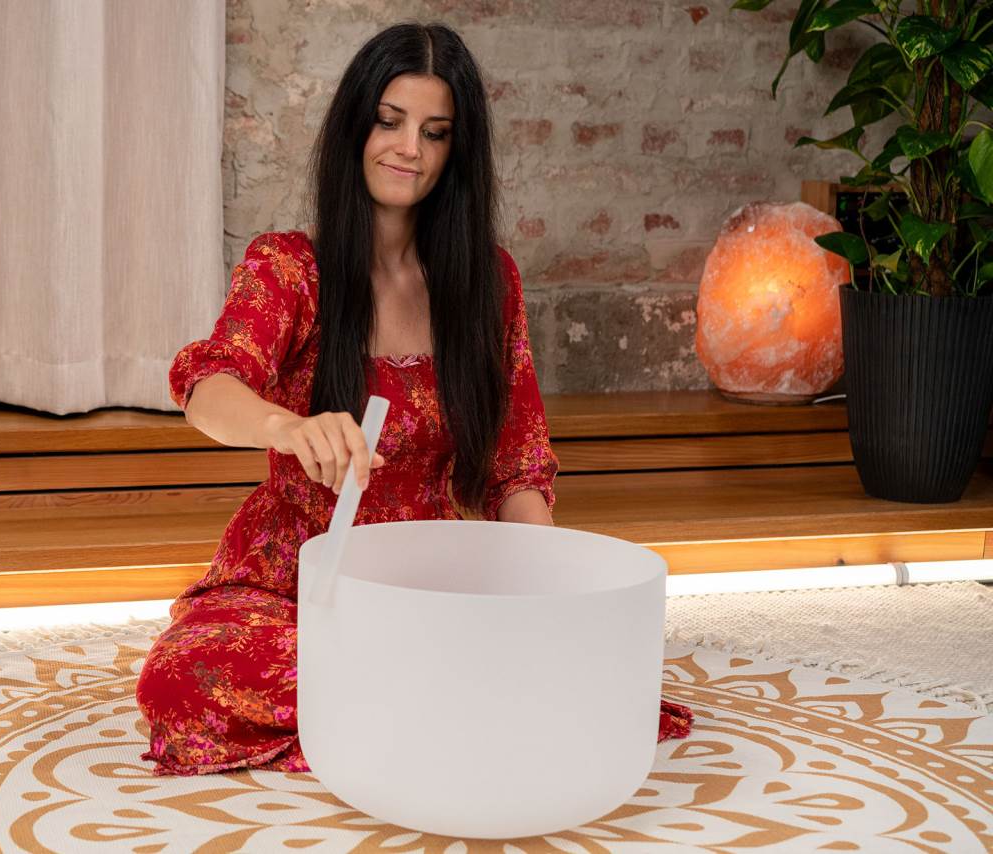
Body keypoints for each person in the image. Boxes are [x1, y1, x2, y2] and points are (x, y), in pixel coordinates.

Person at [136, 21, 693, 777]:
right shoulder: (289, 267)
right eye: (389, 122)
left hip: (430, 581)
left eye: (435, 133)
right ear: (355, 128)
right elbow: (208, 385)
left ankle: (418, 694)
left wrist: (547, 593)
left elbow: (517, 467)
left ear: (455, 151)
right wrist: (288, 427)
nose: (409, 149)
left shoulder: (488, 282)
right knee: (183, 678)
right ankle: (464, 697)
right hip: (292, 582)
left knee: (587, 657)